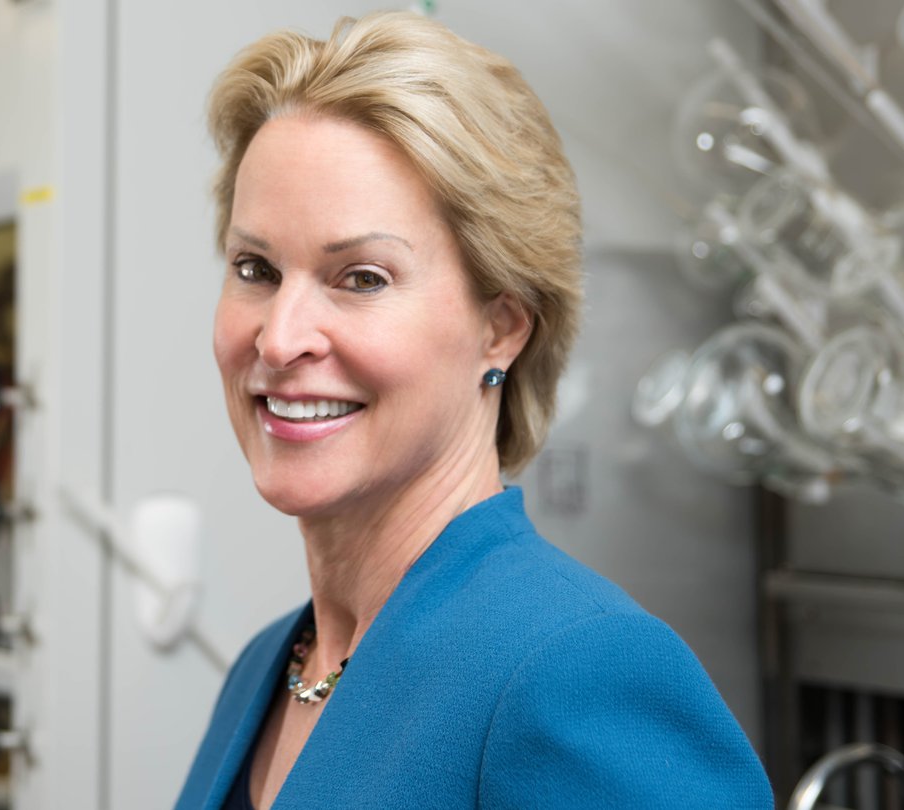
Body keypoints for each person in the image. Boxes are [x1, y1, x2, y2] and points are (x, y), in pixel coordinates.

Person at [176, 13, 773, 809]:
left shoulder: (579, 671)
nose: (280, 339)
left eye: (361, 278)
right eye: (255, 267)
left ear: (502, 327)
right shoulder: (268, 667)